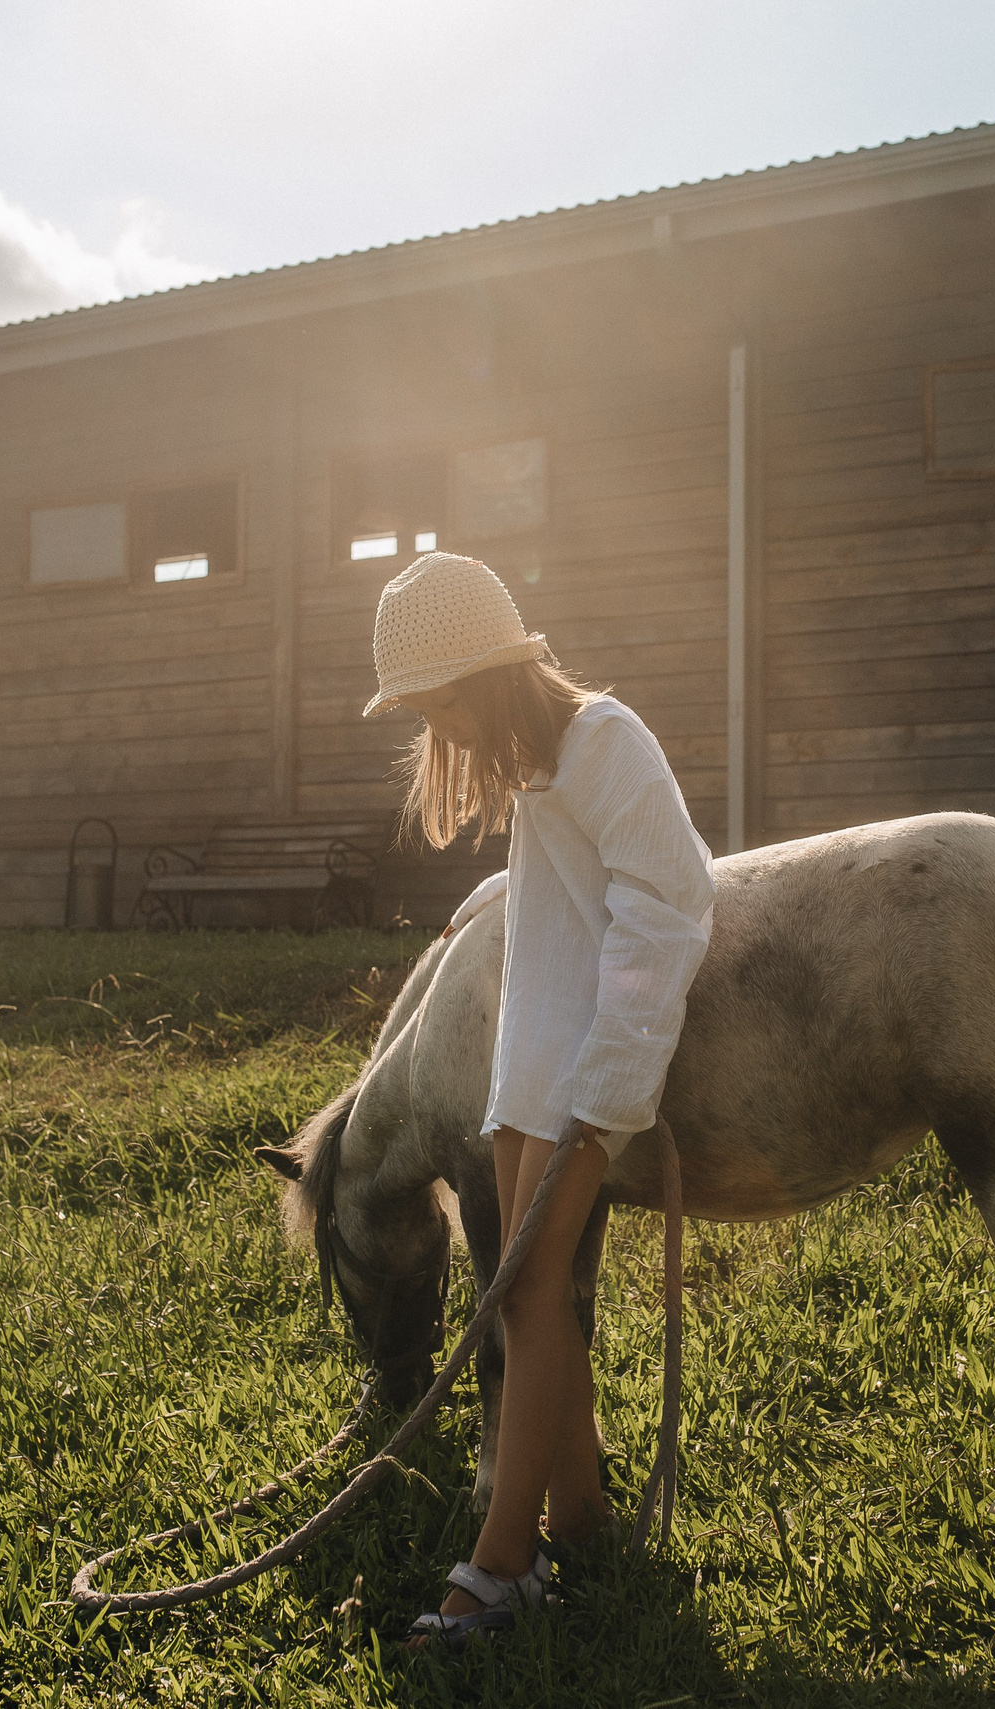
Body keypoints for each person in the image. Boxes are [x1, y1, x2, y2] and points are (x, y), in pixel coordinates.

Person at [362, 552, 715, 1646]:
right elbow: (555, 901)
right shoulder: (540, 767)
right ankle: (586, 1519)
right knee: (529, 1297)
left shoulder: (605, 740)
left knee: (525, 1296)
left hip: (584, 1074)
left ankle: (500, 1569)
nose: (442, 731)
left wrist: (607, 1090)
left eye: (441, 704)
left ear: (488, 674)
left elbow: (671, 897)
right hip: (536, 1063)